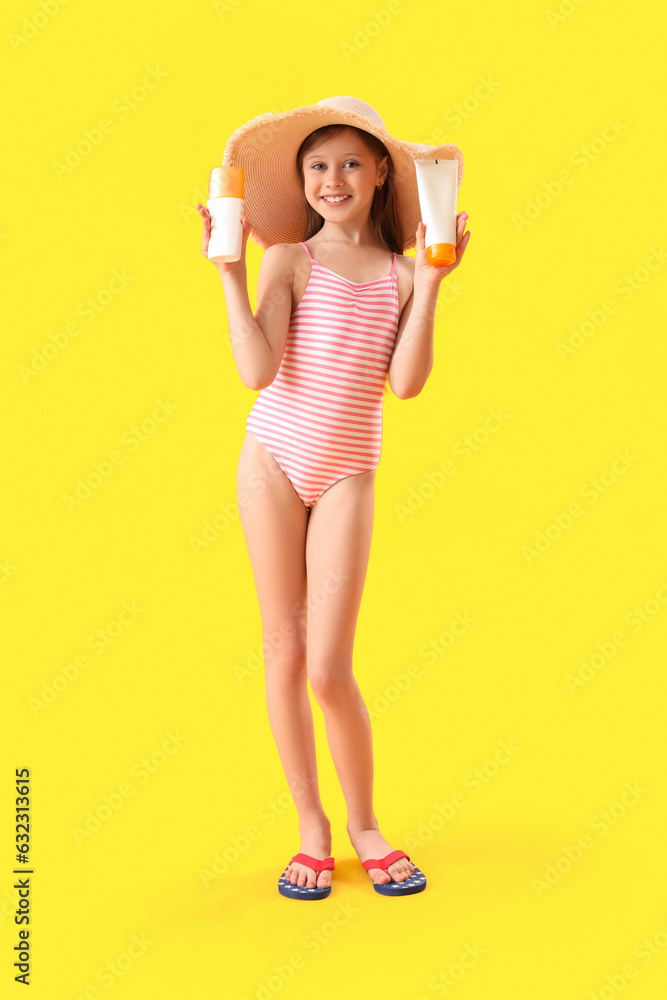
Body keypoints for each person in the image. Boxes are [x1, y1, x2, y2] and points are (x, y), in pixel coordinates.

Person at [197, 96, 471, 899]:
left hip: (349, 467)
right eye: (316, 166)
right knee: (283, 652)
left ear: (382, 171)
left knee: (328, 669)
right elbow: (255, 371)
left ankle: (365, 825)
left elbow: (408, 384)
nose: (332, 178)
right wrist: (229, 274)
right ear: (301, 181)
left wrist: (433, 287)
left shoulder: (401, 270)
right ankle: (312, 830)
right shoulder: (287, 258)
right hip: (273, 458)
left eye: (350, 161)